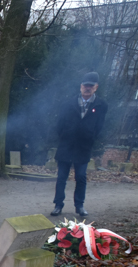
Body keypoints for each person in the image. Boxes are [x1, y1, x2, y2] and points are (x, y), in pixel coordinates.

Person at [51, 72, 108, 218]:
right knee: (61, 177)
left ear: (96, 87)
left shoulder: (101, 105)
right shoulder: (68, 103)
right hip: (66, 144)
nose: (87, 88)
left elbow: (99, 126)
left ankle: (79, 205)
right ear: (81, 86)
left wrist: (90, 136)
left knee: (81, 176)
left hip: (84, 146)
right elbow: (59, 124)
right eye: (85, 85)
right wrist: (65, 135)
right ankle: (58, 205)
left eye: (90, 86)